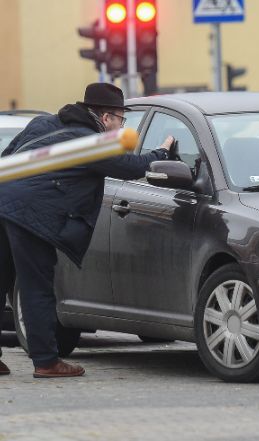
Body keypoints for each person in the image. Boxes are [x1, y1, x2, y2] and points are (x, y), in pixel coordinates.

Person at [0, 83, 173, 378]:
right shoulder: (92, 142)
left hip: (3, 201)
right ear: (105, 118)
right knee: (36, 287)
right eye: (121, 120)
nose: (121, 127)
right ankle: (46, 361)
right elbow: (131, 167)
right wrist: (162, 151)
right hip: (30, 216)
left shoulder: (42, 123)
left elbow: (7, 156)